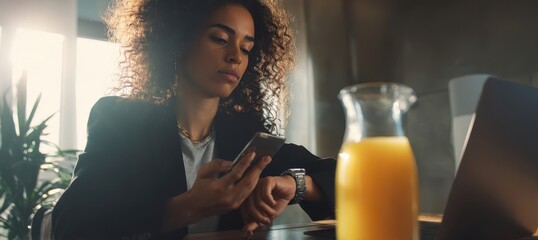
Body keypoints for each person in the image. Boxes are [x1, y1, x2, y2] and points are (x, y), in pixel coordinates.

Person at [51, 0, 336, 239]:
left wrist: (296, 185)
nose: (235, 56)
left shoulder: (249, 137)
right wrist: (186, 207)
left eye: (246, 48)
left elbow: (344, 180)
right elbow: (71, 226)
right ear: (179, 39)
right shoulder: (121, 123)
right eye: (220, 39)